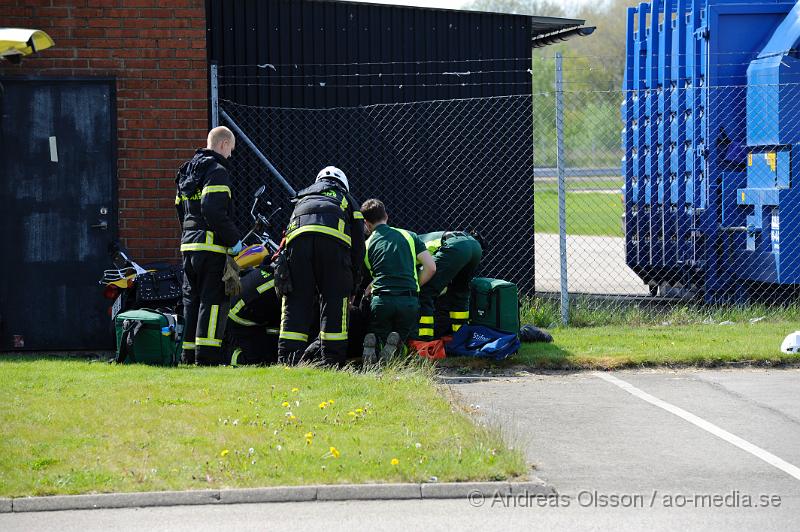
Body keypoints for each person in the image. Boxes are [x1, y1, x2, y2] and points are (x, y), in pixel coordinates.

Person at [276, 166, 366, 366]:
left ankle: (288, 361)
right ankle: (332, 361)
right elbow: (359, 246)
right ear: (344, 184)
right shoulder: (348, 200)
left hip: (298, 244)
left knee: (296, 300)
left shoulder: (303, 198)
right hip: (334, 248)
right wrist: (353, 284)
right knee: (335, 302)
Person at [175, 126, 242, 365]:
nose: (231, 155)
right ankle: (207, 359)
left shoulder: (186, 171)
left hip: (188, 248)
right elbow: (212, 209)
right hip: (212, 249)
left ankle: (188, 356)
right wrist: (234, 241)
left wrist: (189, 236)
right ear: (223, 145)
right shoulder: (217, 171)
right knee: (212, 302)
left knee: (191, 302)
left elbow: (180, 210)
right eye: (231, 150)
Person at [360, 199, 435, 362]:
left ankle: (378, 346)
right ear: (386, 215)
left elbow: (377, 275)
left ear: (366, 223)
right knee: (408, 338)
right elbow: (431, 267)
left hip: (382, 299)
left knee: (379, 332)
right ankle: (398, 346)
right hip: (408, 298)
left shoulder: (366, 246)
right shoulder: (409, 236)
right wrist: (414, 286)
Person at [416, 231, 483, 340]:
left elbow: (425, 271)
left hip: (454, 246)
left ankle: (424, 340)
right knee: (460, 293)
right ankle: (461, 338)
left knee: (425, 292)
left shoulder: (406, 249)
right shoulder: (415, 239)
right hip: (474, 245)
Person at [225, 264, 281, 366]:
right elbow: (276, 324)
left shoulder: (272, 270)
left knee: (264, 354)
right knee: (257, 360)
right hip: (240, 319)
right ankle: (224, 356)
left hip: (240, 310)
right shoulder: (282, 284)